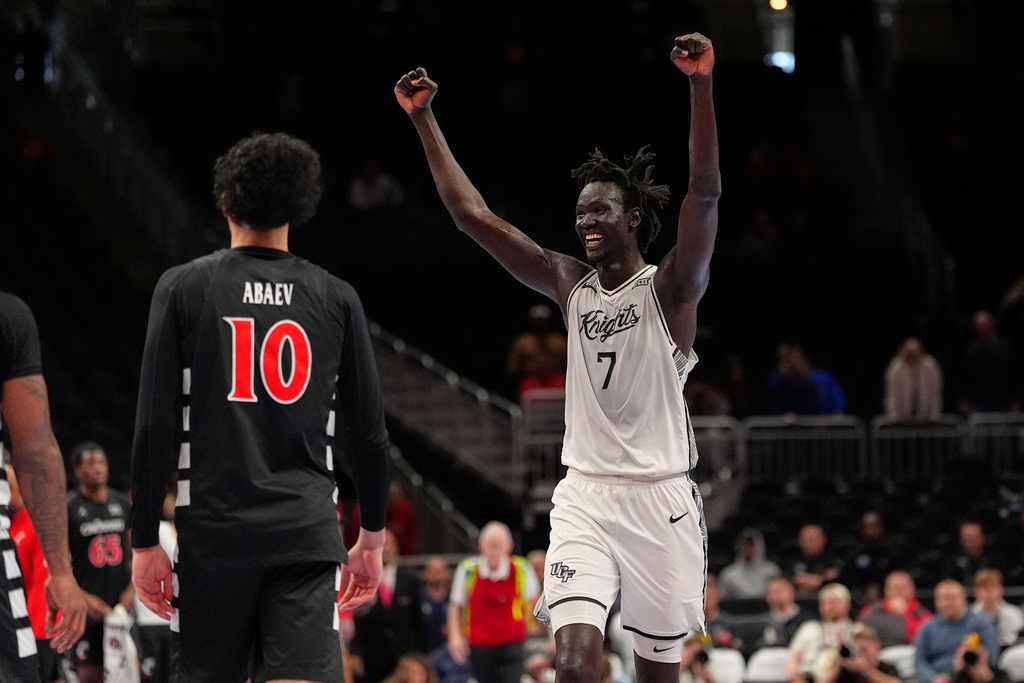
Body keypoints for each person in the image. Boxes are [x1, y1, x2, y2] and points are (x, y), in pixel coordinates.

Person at [396, 31, 720, 683]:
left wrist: (700, 84)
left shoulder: (671, 288)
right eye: (578, 212)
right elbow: (470, 215)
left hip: (662, 500)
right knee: (573, 666)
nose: (585, 220)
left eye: (599, 208)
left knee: (659, 675)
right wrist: (424, 119)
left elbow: (704, 195)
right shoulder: (569, 283)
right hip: (585, 498)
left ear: (632, 216)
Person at [129, 132, 391, 682]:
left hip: (214, 535)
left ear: (224, 202)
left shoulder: (183, 288)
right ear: (302, 204)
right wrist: (371, 536)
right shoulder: (336, 297)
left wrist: (145, 539)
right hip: (303, 528)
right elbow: (369, 433)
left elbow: (153, 426)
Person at [1, 291, 88, 682]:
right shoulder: (7, 315)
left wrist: (60, 569)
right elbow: (34, 452)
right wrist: (62, 571)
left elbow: (36, 454)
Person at [63, 441, 136, 683]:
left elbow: (132, 551)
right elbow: (59, 562)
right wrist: (81, 598)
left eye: (101, 462)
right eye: (90, 463)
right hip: (88, 609)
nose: (98, 467)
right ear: (77, 471)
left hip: (120, 607)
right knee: (90, 674)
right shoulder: (69, 508)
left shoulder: (121, 503)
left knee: (131, 668)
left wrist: (132, 587)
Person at [447, 521, 540, 683]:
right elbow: (455, 606)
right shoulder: (468, 569)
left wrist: (539, 631)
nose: (494, 551)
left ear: (509, 547)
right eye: (491, 545)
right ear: (481, 545)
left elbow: (536, 602)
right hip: (480, 643)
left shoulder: (521, 568)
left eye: (499, 546)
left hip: (514, 641)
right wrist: (455, 636)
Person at [6, 465, 60, 682]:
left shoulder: (35, 523)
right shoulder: (10, 527)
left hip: (39, 628)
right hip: (21, 626)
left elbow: (41, 582)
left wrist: (35, 629)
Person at [351, 531, 427, 683]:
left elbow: (419, 621)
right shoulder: (362, 582)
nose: (386, 549)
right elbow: (357, 622)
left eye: (390, 544)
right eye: (381, 545)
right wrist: (356, 653)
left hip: (405, 656)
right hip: (373, 659)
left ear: (397, 549)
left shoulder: (410, 582)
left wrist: (422, 655)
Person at [913, 580, 999, 683]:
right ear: (936, 602)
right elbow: (920, 662)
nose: (948, 603)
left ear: (963, 599)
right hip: (938, 675)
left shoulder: (981, 623)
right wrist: (934, 678)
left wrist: (977, 667)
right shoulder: (927, 628)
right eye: (944, 598)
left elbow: (992, 655)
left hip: (972, 674)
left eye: (953, 598)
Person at [786, 583, 855, 682]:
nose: (831, 606)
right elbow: (793, 658)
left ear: (847, 604)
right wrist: (795, 676)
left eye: (836, 601)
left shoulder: (857, 630)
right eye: (827, 602)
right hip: (807, 677)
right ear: (820, 605)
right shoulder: (809, 627)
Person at [859, 571, 932, 648]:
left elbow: (927, 635)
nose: (899, 591)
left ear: (912, 590)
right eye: (895, 587)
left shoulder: (921, 612)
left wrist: (905, 614)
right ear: (886, 590)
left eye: (903, 587)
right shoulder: (872, 610)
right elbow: (860, 629)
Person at [884, 337, 943, 421]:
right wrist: (894, 415)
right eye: (910, 354)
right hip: (901, 415)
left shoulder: (930, 367)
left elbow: (935, 391)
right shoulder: (896, 368)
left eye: (916, 353)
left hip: (926, 413)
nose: (914, 357)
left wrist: (934, 413)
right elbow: (892, 393)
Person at [817, 624, 901, 683]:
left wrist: (867, 671)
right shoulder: (847, 671)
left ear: (877, 647)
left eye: (864, 649)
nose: (861, 654)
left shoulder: (887, 668)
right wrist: (839, 665)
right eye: (857, 650)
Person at [718, 528, 782, 599]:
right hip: (737, 609)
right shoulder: (728, 574)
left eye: (752, 545)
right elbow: (723, 598)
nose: (748, 549)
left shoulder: (772, 571)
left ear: (759, 546)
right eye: (745, 545)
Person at [970, 569, 1023, 648]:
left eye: (993, 588)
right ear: (976, 592)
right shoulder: (969, 614)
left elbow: (1017, 640)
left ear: (1001, 590)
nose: (989, 593)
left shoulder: (1014, 613)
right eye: (984, 588)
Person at [757, 576, 814, 649]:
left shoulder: (807, 619)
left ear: (792, 592)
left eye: (780, 591)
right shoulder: (761, 620)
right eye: (772, 591)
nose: (777, 595)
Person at [785, 523, 841, 597]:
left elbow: (835, 579)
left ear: (823, 539)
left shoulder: (834, 560)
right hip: (799, 599)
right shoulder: (791, 560)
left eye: (814, 538)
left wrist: (820, 580)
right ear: (799, 541)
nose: (810, 542)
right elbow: (787, 580)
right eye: (806, 539)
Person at [942, 522, 1004, 586]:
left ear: (983, 538)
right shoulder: (952, 563)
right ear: (960, 540)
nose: (970, 543)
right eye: (966, 539)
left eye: (974, 538)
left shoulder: (995, 560)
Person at [421, 556, 454, 653]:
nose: (436, 574)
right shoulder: (418, 598)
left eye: (439, 570)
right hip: (426, 649)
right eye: (432, 570)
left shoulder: (455, 598)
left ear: (447, 573)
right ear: (426, 573)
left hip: (450, 650)